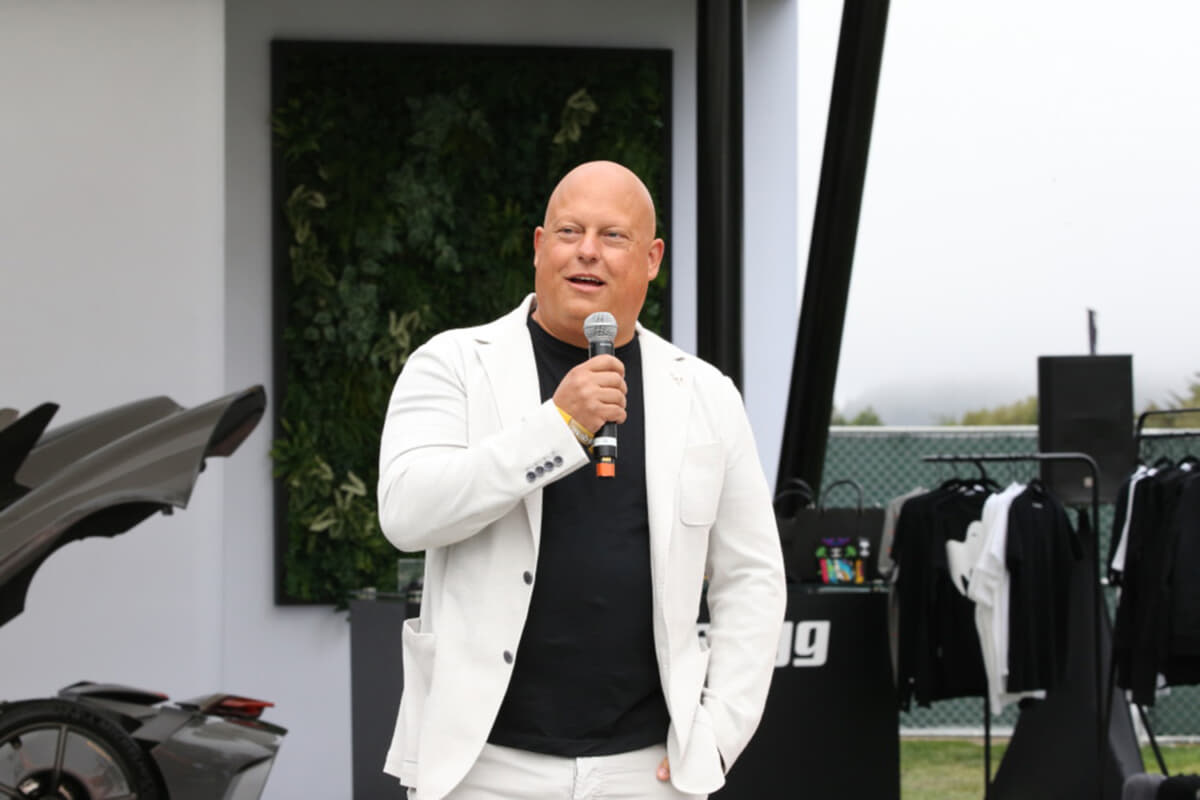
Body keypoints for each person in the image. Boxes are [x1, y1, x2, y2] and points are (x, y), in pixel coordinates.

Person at [377, 160, 785, 800]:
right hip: (483, 768)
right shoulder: (453, 363)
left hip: (647, 769)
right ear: (540, 246)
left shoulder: (705, 393)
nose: (587, 251)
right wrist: (558, 425)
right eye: (569, 231)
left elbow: (752, 576)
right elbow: (407, 513)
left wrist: (718, 734)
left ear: (652, 259)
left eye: (613, 235)